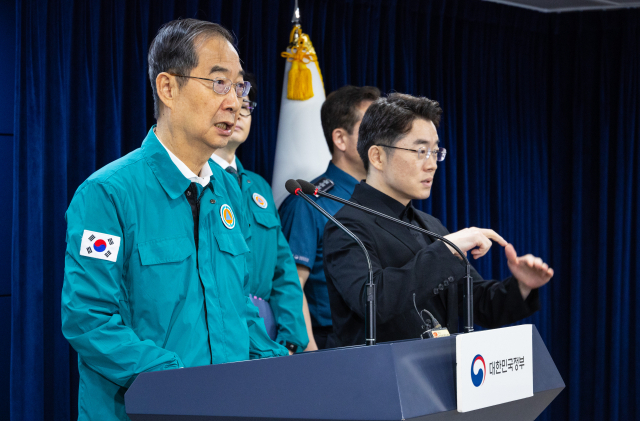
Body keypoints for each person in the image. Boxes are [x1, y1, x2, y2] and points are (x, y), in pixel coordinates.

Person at [61, 19, 288, 421]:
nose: (235, 102)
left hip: (230, 407)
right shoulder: (108, 193)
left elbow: (238, 310)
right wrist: (180, 380)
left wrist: (283, 368)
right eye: (219, 83)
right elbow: (90, 321)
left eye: (240, 87)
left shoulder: (228, 190)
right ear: (168, 88)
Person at [323, 93, 554, 346]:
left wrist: (522, 286)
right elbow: (374, 303)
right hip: (382, 380)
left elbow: (480, 305)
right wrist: (445, 248)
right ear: (377, 156)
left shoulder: (430, 225)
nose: (432, 164)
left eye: (435, 151)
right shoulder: (346, 226)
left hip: (441, 376)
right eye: (421, 151)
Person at [210, 74, 309, 354]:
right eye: (232, 106)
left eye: (247, 107)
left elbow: (283, 270)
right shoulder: (197, 179)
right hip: (225, 332)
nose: (239, 114)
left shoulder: (259, 186)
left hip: (271, 334)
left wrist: (290, 339)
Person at [279, 85, 380, 350]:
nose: (382, 138)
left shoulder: (380, 199)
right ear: (340, 139)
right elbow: (291, 286)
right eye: (371, 129)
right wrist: (312, 358)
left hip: (378, 342)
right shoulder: (309, 203)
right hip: (331, 346)